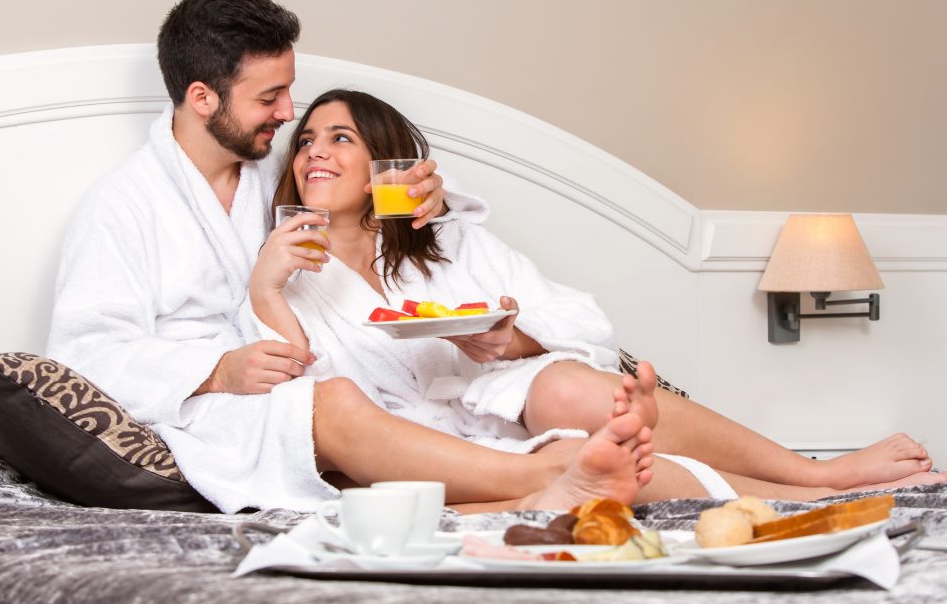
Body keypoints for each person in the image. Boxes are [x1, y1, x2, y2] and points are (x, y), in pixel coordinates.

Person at [46, 0, 652, 514]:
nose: (287, 113)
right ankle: (545, 476)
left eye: (289, 93)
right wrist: (218, 369)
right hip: (216, 402)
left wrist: (433, 194)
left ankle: (534, 490)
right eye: (270, 98)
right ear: (203, 98)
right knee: (331, 403)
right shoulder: (124, 206)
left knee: (359, 399)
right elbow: (85, 353)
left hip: (309, 370)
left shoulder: (270, 174)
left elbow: (364, 193)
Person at [245, 87, 947, 504]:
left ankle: (815, 470)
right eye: (305, 140)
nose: (313, 151)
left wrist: (511, 342)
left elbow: (590, 327)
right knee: (591, 452)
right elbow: (292, 400)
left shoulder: (450, 243)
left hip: (504, 413)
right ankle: (807, 497)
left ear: (387, 165)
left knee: (577, 390)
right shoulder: (285, 263)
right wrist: (269, 289)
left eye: (340, 137)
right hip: (424, 449)